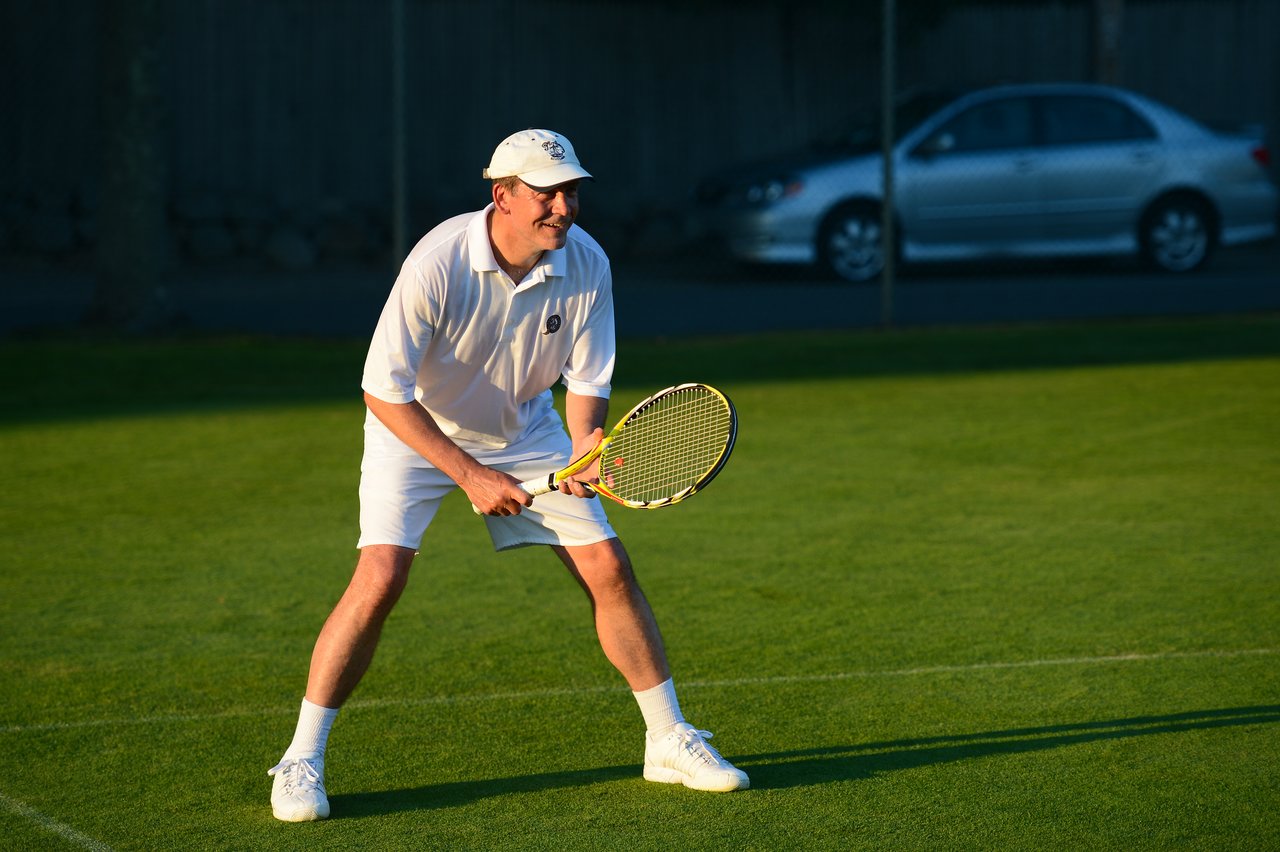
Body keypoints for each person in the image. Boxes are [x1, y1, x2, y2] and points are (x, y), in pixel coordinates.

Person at [267, 129, 749, 822]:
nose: (562, 207)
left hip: (527, 429)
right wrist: (468, 475)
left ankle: (668, 738)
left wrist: (587, 444)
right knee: (380, 578)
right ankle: (300, 760)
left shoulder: (586, 263)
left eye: (571, 192)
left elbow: (587, 380)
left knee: (608, 567)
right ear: (504, 196)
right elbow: (382, 390)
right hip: (416, 430)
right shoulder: (438, 261)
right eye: (547, 194)